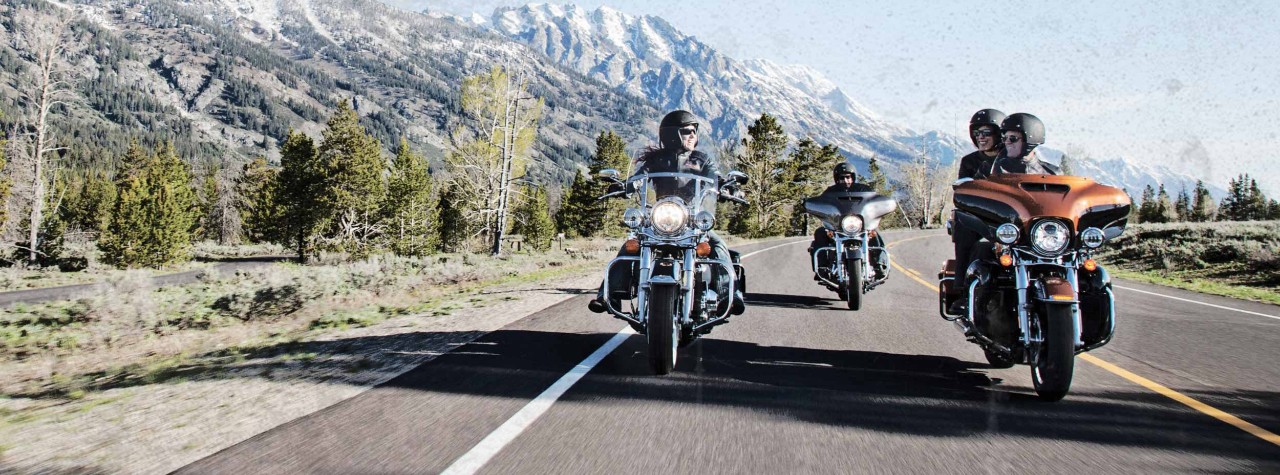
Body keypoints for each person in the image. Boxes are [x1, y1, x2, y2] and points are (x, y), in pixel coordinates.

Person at [588, 110, 741, 315]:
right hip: (661, 217)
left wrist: (726, 187)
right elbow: (638, 177)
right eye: (688, 131)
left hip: (691, 218)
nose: (693, 136)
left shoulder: (701, 160)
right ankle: (608, 296)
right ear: (672, 134)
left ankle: (728, 296)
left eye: (694, 131)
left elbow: (714, 177)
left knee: (717, 245)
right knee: (631, 246)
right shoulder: (655, 160)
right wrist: (625, 186)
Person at [949, 112, 1057, 315]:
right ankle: (964, 292)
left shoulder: (1048, 171)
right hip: (995, 221)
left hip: (1031, 227)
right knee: (965, 227)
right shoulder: (985, 167)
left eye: (1012, 138)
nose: (980, 136)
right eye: (976, 132)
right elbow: (966, 192)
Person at [808, 163, 888, 280]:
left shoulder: (863, 190)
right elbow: (822, 204)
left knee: (874, 233)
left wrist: (881, 205)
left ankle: (880, 264)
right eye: (841, 178)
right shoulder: (830, 192)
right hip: (838, 226)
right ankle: (822, 267)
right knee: (820, 232)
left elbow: (873, 202)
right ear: (837, 179)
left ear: (853, 177)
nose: (845, 180)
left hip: (859, 225)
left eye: (848, 177)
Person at [958, 109, 1006, 179]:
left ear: (999, 134)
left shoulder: (1012, 158)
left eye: (986, 132)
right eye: (976, 133)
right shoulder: (969, 161)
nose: (980, 137)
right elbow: (962, 187)